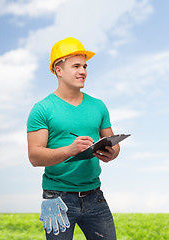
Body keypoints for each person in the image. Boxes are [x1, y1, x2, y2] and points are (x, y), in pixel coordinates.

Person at [27, 37, 120, 240]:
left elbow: (113, 142)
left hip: (94, 196)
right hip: (57, 198)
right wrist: (71, 149)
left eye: (85, 66)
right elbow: (34, 156)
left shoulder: (98, 106)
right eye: (76, 66)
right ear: (58, 70)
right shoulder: (42, 109)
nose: (83, 71)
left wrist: (111, 152)